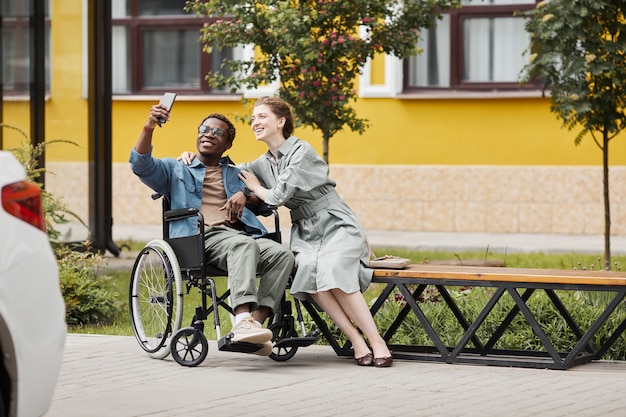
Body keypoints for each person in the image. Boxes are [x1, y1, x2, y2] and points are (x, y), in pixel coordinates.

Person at [180, 96, 393, 367]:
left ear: (281, 121)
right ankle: (356, 340)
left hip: (334, 222)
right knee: (307, 274)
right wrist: (189, 157)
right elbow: (228, 171)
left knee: (334, 271)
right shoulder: (262, 162)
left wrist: (253, 190)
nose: (255, 122)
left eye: (262, 116)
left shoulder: (301, 152)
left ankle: (377, 341)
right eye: (253, 118)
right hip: (304, 228)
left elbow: (277, 195)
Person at [129, 102, 295, 357]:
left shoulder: (238, 173)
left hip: (239, 236)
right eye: (204, 129)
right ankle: (241, 319)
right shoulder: (177, 168)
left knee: (283, 255)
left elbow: (262, 203)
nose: (208, 134)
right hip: (199, 239)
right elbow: (140, 163)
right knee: (243, 245)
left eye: (217, 132)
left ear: (227, 144)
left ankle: (256, 327)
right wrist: (149, 126)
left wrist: (243, 194)